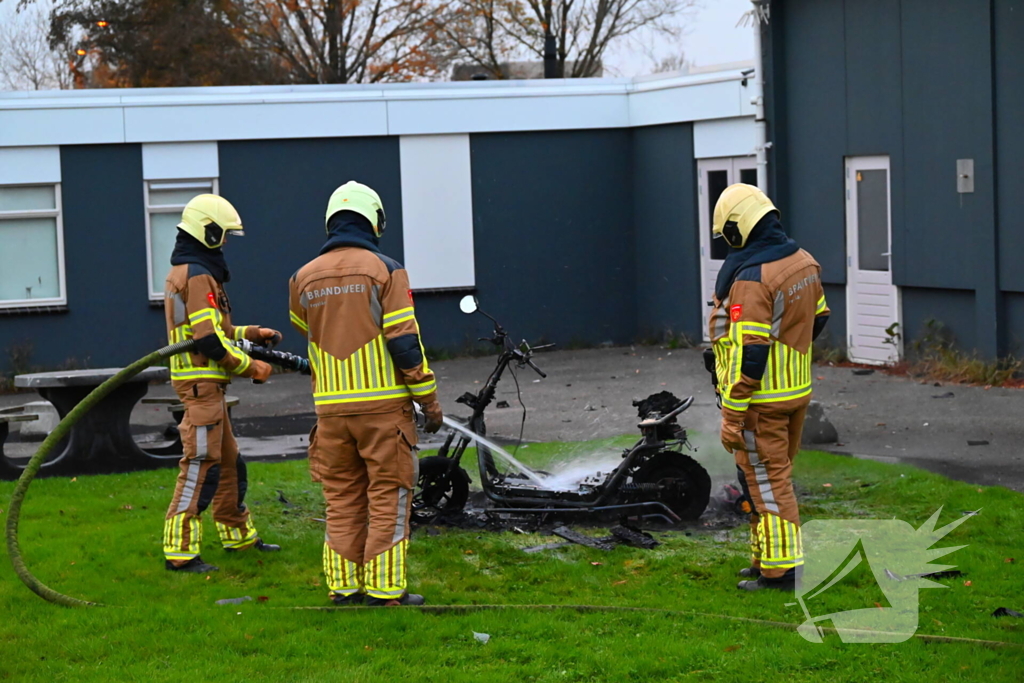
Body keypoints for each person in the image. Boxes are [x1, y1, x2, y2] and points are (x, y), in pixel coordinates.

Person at [288, 181, 443, 607]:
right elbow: (404, 342)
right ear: (374, 221)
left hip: (330, 414)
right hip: (383, 411)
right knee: (388, 497)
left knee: (341, 500)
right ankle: (384, 590)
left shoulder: (301, 278)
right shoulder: (386, 270)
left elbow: (306, 328)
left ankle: (343, 588)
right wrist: (428, 401)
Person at [706, 183, 830, 592]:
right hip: (794, 390)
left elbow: (752, 350)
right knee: (760, 480)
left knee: (768, 483)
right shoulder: (802, 260)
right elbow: (819, 317)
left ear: (739, 227)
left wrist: (733, 413)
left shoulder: (753, 277)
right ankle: (764, 559)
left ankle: (782, 572)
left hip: (760, 401)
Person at [162, 194, 283, 573]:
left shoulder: (193, 270)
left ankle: (238, 536)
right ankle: (180, 552)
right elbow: (208, 342)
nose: (226, 241)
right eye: (223, 234)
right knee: (201, 467)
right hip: (201, 387)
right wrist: (252, 368)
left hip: (206, 387)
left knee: (229, 465)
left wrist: (254, 333)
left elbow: (218, 330)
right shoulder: (197, 275)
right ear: (207, 231)